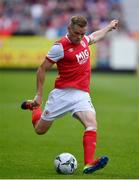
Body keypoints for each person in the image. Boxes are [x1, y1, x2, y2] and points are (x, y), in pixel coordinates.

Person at [21, 16, 119, 174]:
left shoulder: (84, 40)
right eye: (77, 33)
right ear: (69, 29)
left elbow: (94, 36)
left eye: (82, 33)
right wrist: (39, 94)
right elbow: (42, 69)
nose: (80, 37)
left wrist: (108, 27)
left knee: (92, 124)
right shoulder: (59, 47)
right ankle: (34, 107)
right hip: (62, 94)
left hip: (81, 94)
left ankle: (88, 163)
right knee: (40, 130)